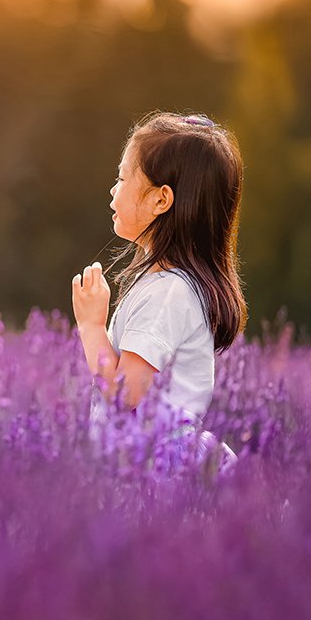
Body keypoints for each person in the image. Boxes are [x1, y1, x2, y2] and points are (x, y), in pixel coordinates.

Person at [71, 112, 245, 467]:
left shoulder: (169, 294)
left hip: (157, 469)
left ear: (160, 200)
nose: (112, 189)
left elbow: (124, 395)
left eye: (121, 178)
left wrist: (91, 327)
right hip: (145, 461)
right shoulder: (165, 286)